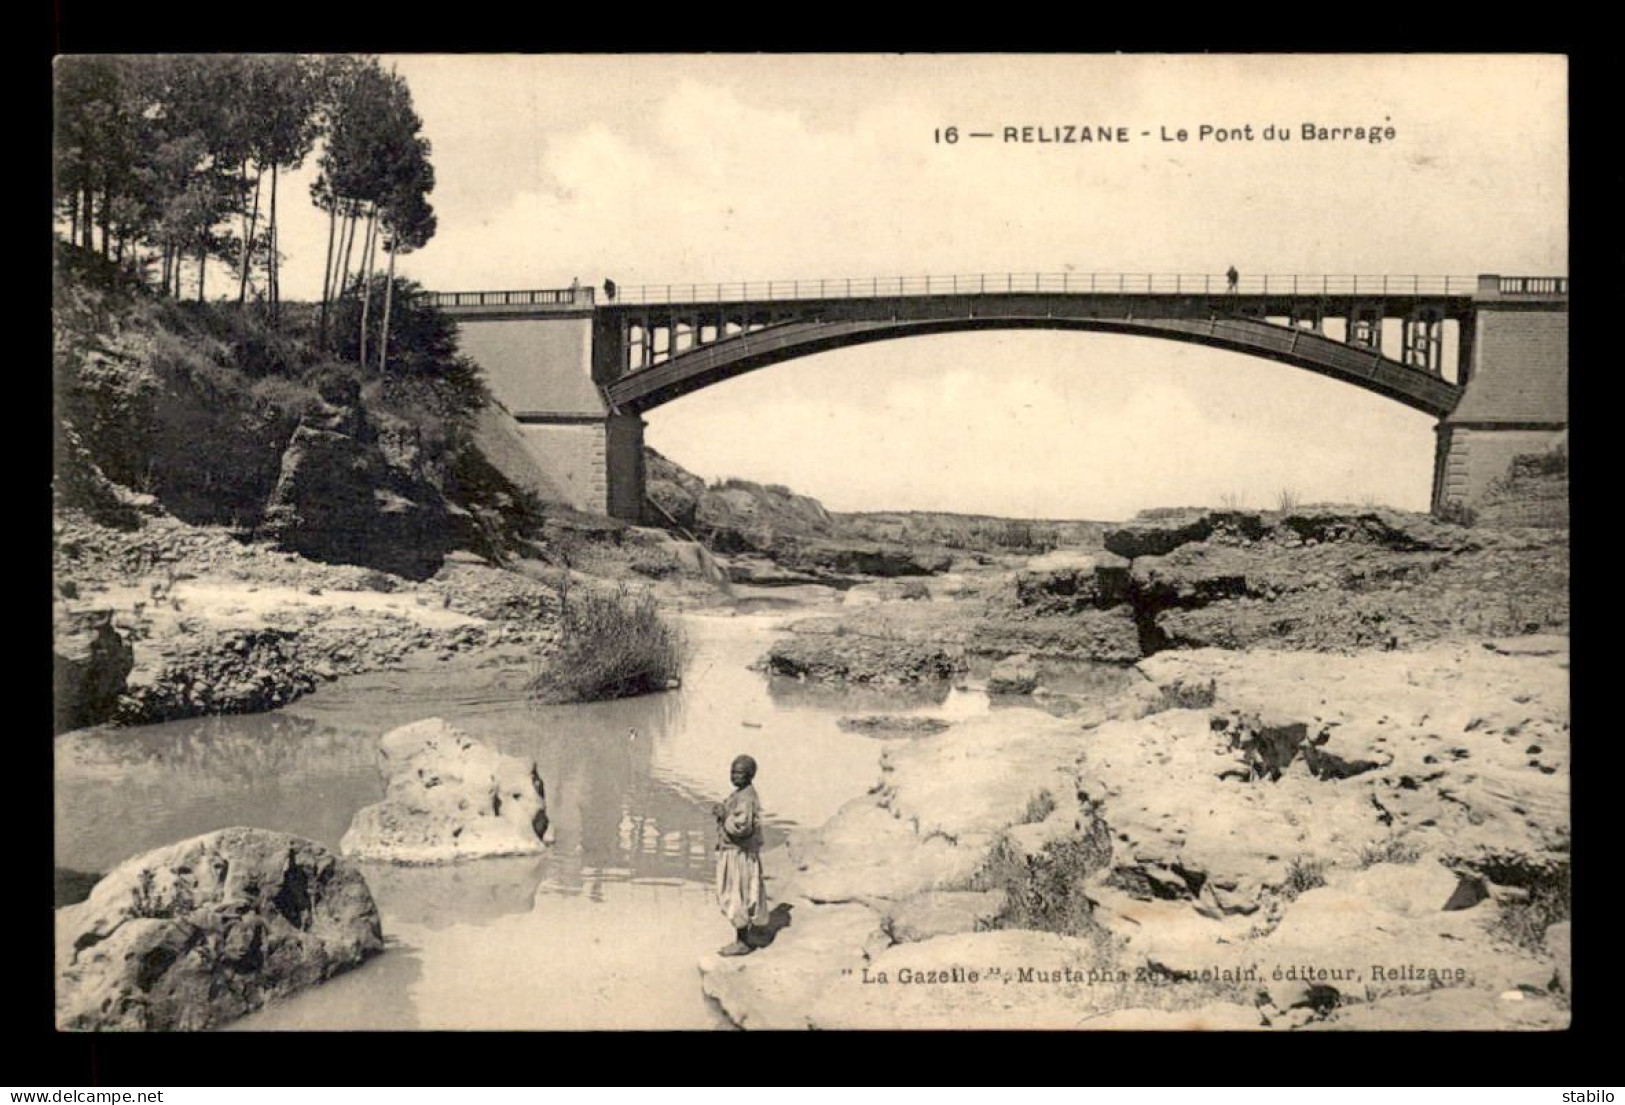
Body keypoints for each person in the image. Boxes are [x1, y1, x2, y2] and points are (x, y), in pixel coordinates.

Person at [713, 754, 768, 956]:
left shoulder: (746, 798)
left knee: (736, 895)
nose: (735, 777)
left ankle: (743, 942)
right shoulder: (743, 793)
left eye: (739, 773)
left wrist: (723, 815)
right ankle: (746, 935)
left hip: (738, 855)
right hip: (739, 853)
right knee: (743, 894)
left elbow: (741, 827)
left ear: (750, 775)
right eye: (732, 772)